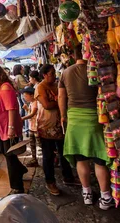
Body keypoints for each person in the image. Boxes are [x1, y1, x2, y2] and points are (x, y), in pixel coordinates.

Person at [59, 44, 114, 209]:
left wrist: (63, 116)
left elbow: (62, 96)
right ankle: (105, 198)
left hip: (74, 119)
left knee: (81, 159)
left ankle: (87, 194)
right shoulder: (94, 70)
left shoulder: (65, 72)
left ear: (73, 56)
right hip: (94, 117)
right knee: (99, 159)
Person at [35, 64, 78, 195]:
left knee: (64, 152)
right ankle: (50, 182)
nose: (54, 75)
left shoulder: (56, 85)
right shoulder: (40, 87)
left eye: (54, 73)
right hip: (46, 126)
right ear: (44, 75)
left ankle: (68, 177)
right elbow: (46, 105)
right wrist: (61, 102)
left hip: (59, 125)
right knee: (48, 156)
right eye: (52, 73)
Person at [0, 65, 26, 194]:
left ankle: (17, 187)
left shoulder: (5, 88)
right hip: (0, 127)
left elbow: (11, 109)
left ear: (0, 74)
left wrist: (11, 128)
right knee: (7, 153)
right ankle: (20, 170)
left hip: (7, 128)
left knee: (10, 157)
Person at [21, 86, 39, 167]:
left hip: (36, 128)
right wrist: (26, 109)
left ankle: (53, 157)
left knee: (40, 144)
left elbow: (32, 114)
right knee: (32, 144)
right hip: (32, 127)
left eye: (26, 96)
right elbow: (30, 112)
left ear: (32, 95)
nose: (25, 98)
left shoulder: (35, 102)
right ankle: (34, 159)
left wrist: (22, 118)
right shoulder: (32, 103)